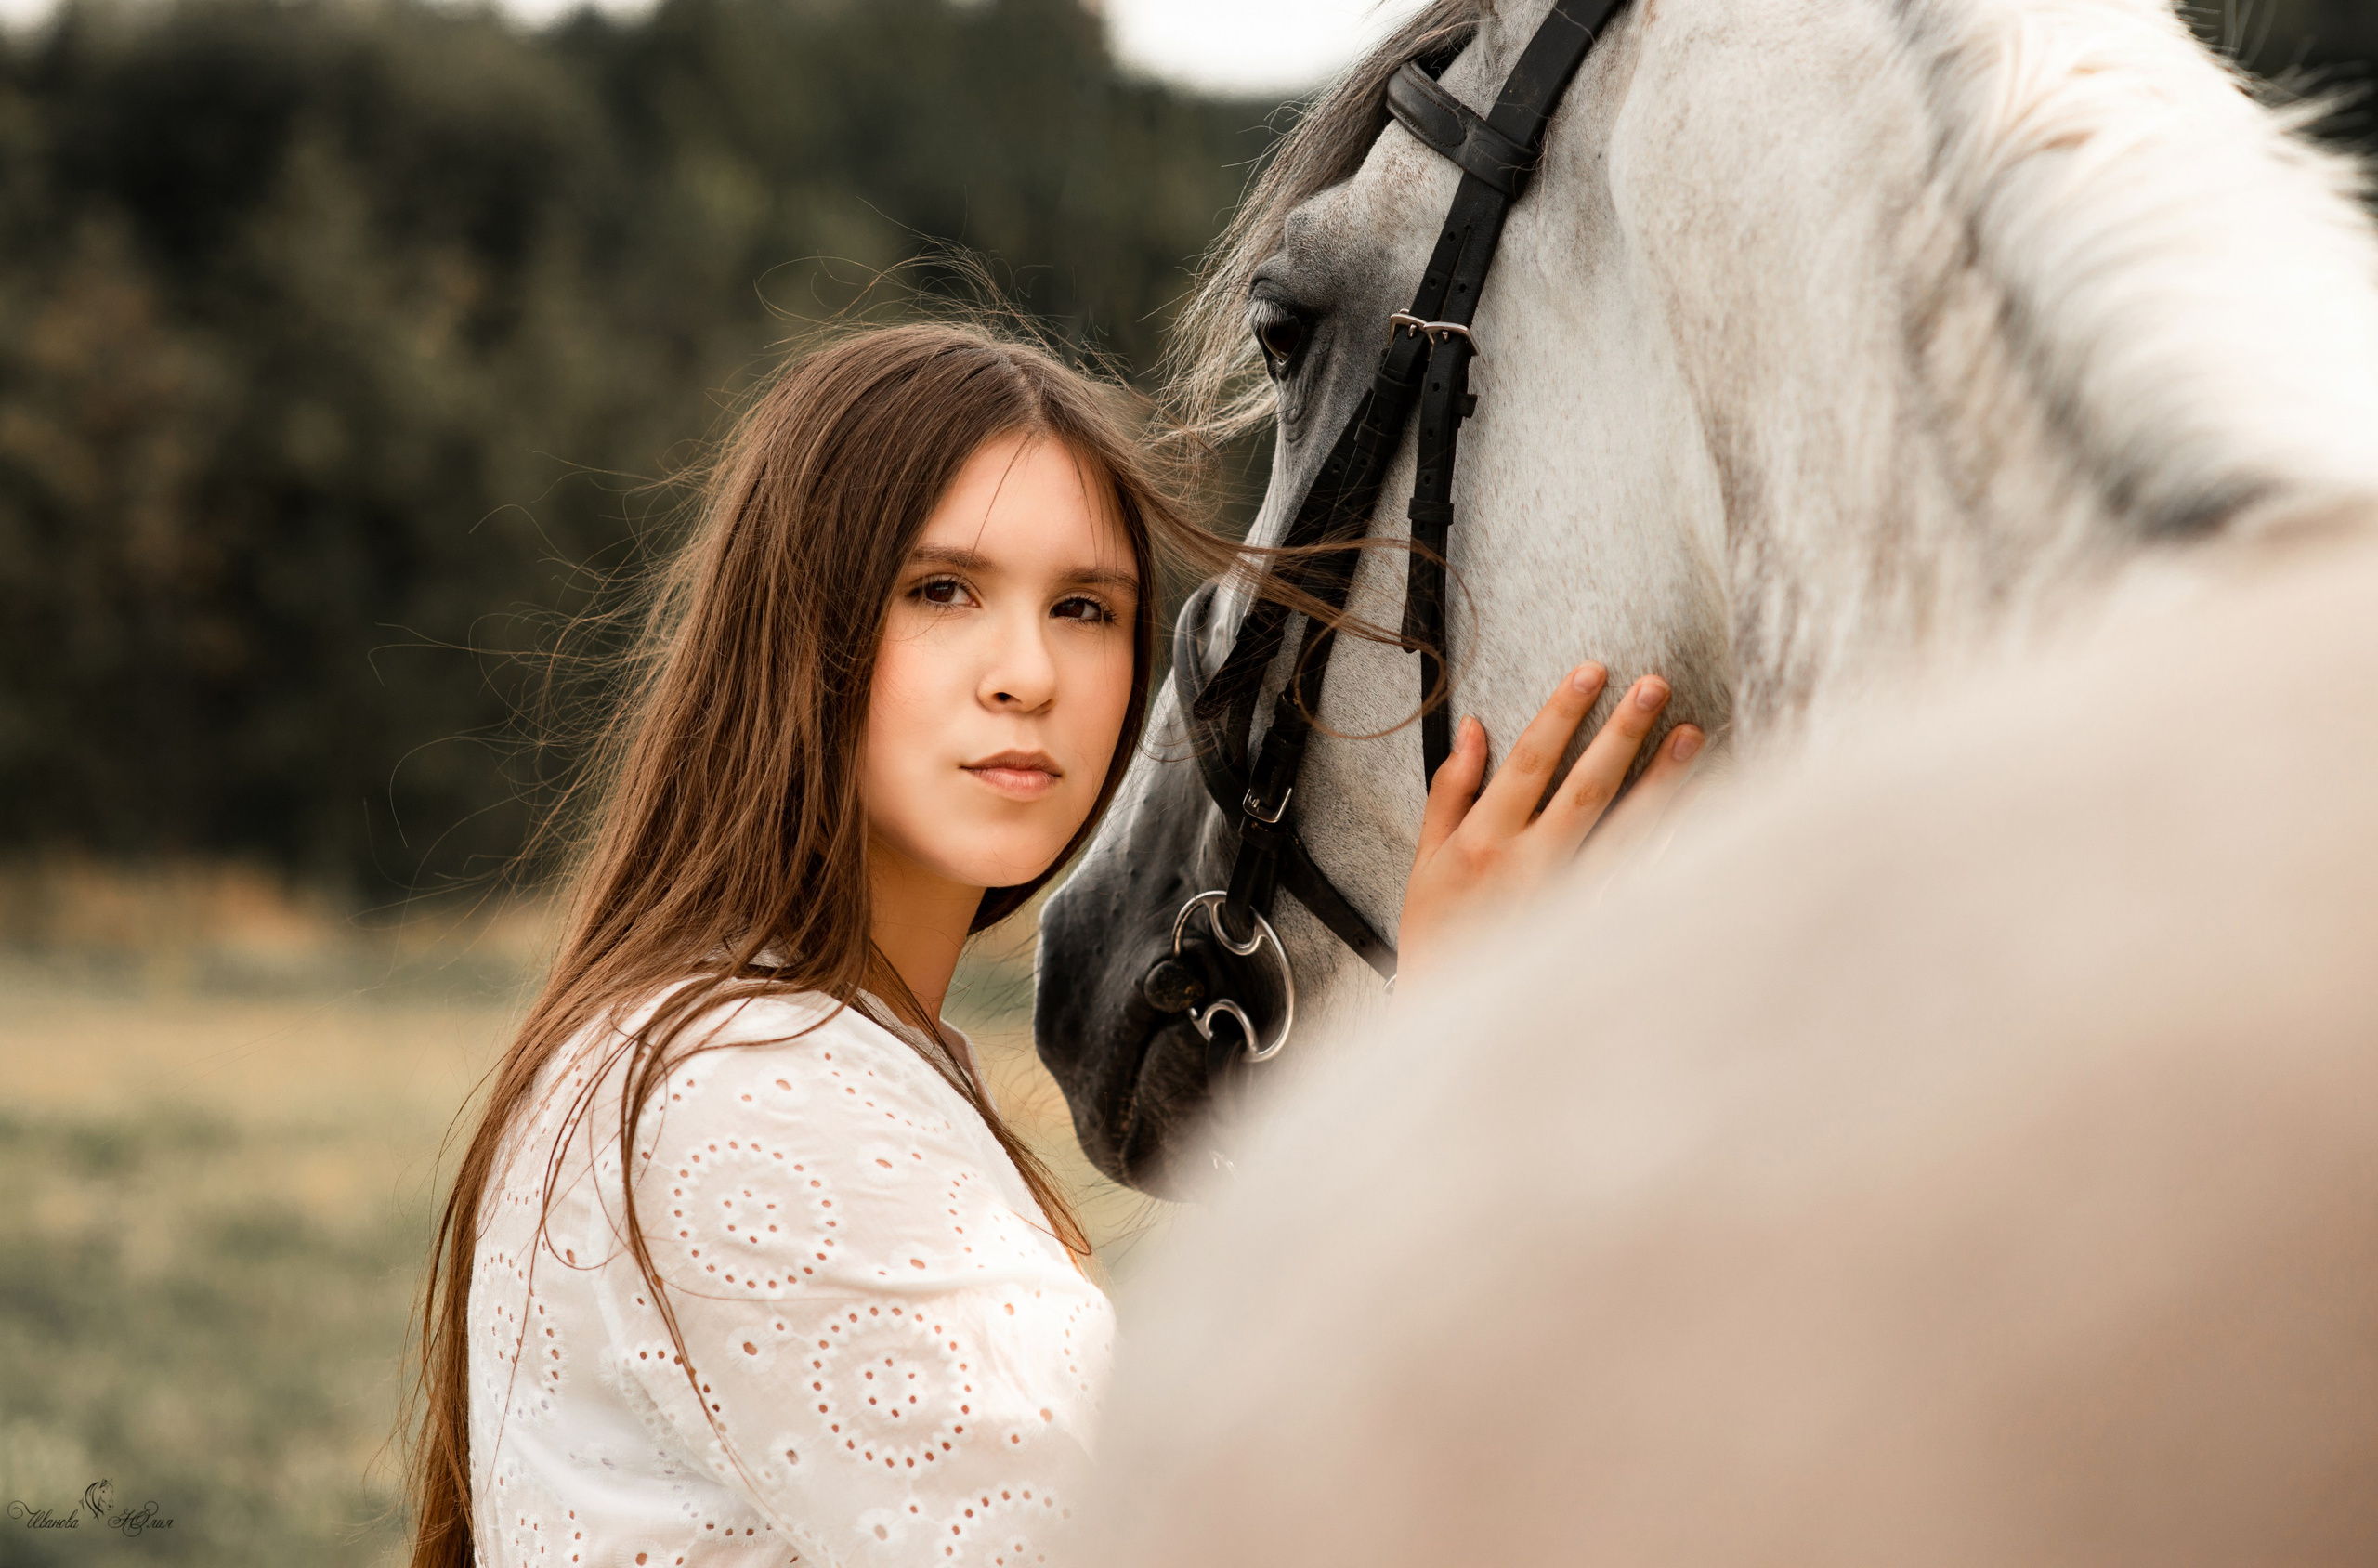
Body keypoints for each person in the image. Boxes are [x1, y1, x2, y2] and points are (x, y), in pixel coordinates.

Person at [403, 321, 1702, 1568]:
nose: (1027, 671)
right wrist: (1449, 1065)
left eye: (1086, 607)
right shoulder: (748, 1088)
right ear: (798, 628)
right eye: (944, 590)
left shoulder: (760, 1044)